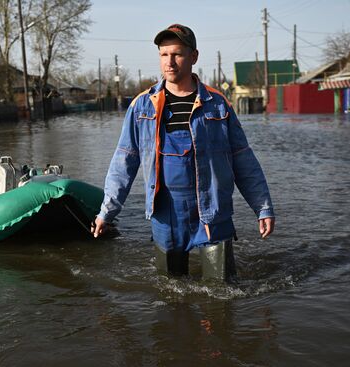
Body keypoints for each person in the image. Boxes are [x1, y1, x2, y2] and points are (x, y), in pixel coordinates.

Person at [91, 24, 275, 281]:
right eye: (164, 54)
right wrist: (106, 212)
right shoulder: (142, 105)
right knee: (170, 293)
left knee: (221, 291)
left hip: (213, 210)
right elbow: (124, 161)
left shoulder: (217, 103)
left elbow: (242, 159)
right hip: (166, 213)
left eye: (177, 54)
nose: (170, 62)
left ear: (193, 56)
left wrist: (262, 207)